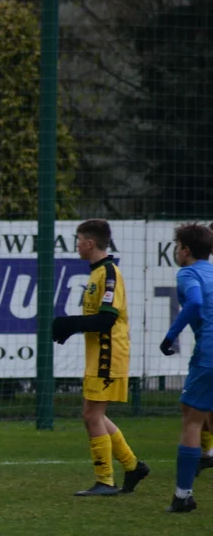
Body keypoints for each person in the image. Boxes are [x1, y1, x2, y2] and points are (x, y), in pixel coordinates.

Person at [52, 219, 149, 496]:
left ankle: (105, 480)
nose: (77, 245)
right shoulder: (98, 273)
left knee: (91, 415)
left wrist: (71, 325)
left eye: (78, 239)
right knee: (94, 415)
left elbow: (107, 319)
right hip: (99, 354)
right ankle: (132, 466)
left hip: (108, 355)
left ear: (89, 243)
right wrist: (72, 327)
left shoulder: (108, 273)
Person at [158, 223, 213, 513]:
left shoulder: (188, 273)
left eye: (177, 246)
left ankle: (182, 496)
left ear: (186, 251)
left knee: (192, 420)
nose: (176, 251)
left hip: (209, 356)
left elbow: (194, 303)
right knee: (196, 413)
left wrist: (170, 336)